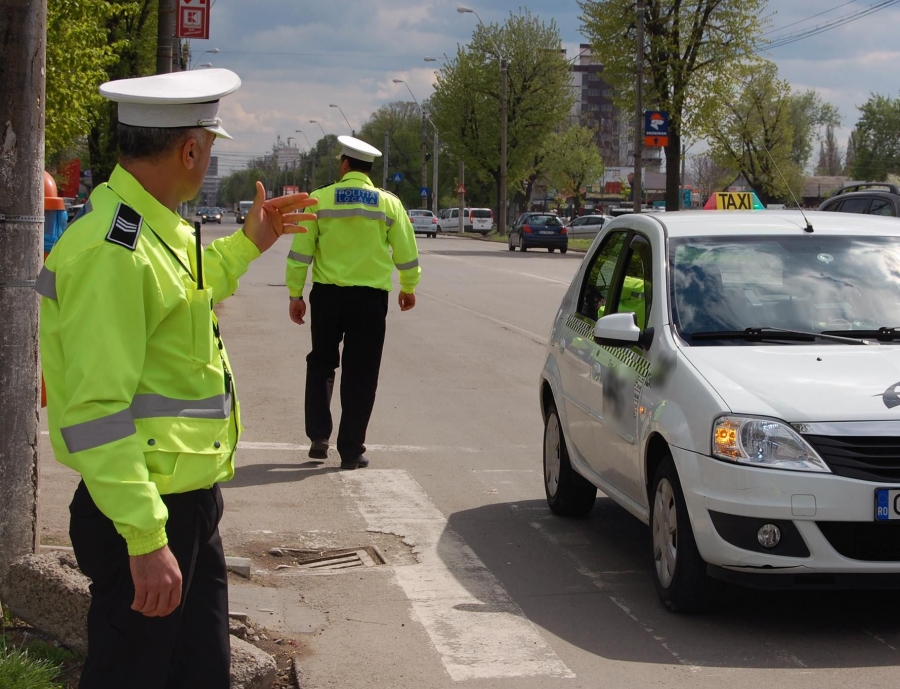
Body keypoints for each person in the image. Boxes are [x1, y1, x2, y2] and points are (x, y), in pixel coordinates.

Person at [36, 68, 316, 688]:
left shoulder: (146, 234)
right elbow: (94, 412)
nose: (208, 156)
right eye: (210, 145)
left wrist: (249, 244)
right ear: (190, 150)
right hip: (143, 511)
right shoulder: (114, 253)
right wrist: (144, 538)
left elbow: (182, 296)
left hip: (181, 505)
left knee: (200, 674)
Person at [286, 136, 420, 470]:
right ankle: (351, 450)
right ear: (369, 169)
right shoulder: (388, 204)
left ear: (344, 165)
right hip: (370, 300)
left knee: (321, 363)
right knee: (362, 374)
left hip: (328, 296)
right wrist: (408, 287)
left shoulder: (319, 199)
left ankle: (319, 436)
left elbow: (301, 252)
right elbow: (406, 253)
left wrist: (295, 294)